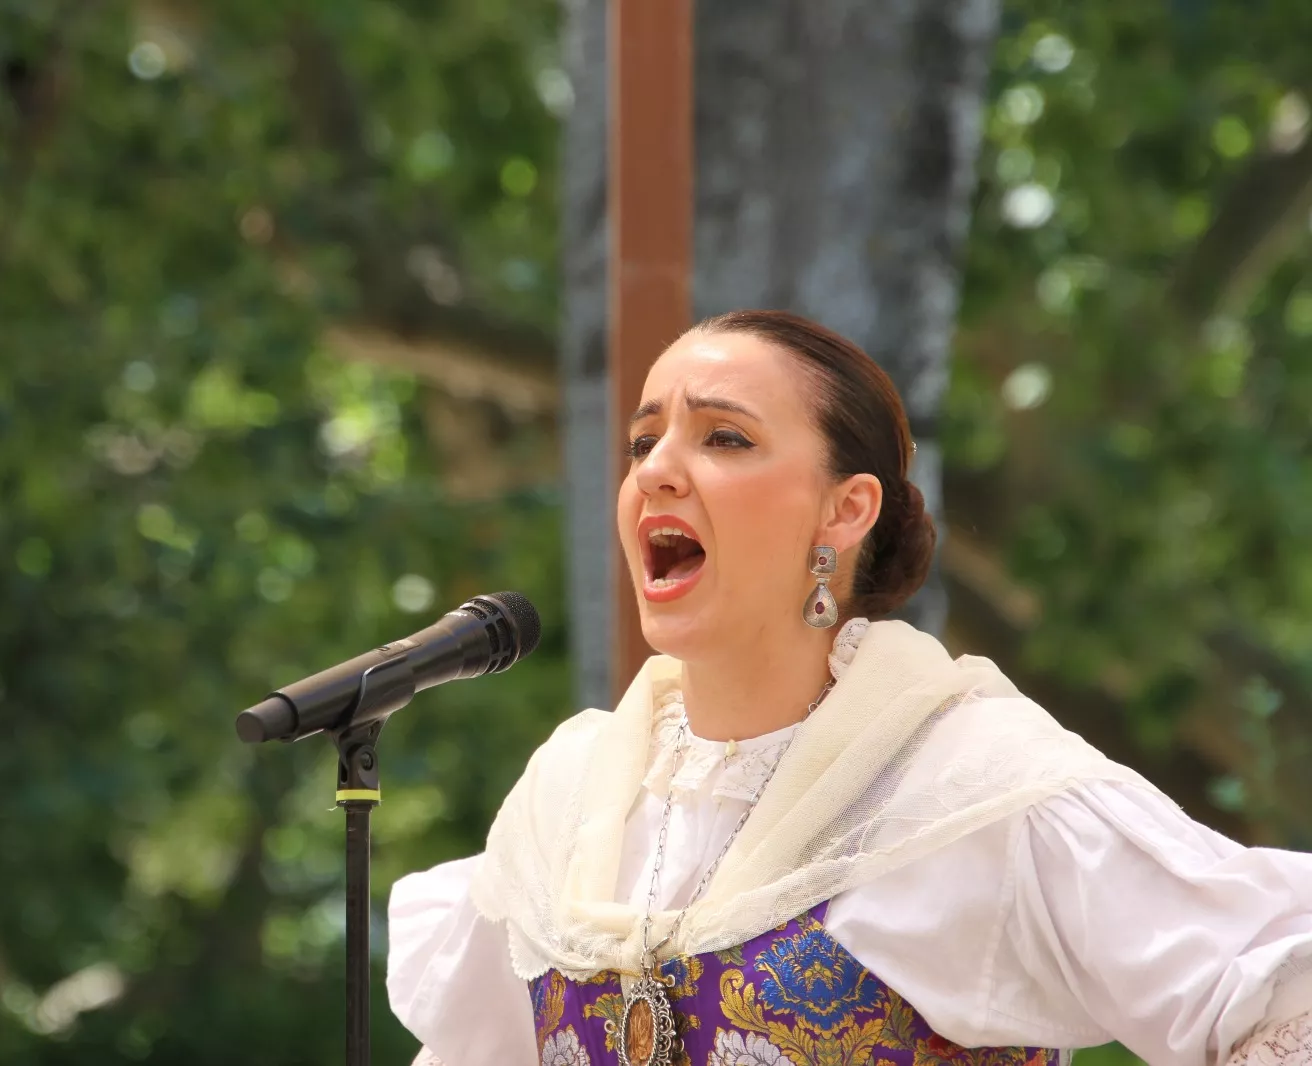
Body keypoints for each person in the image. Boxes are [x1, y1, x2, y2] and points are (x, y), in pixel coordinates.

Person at [385, 310, 1312, 1066]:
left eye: (724, 437)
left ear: (846, 509)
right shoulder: (571, 798)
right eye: (642, 440)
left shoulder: (968, 783)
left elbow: (1281, 986)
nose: (658, 469)